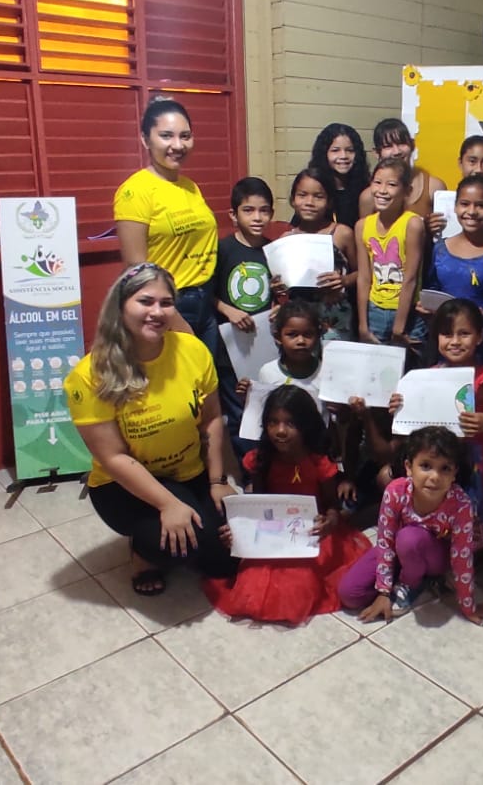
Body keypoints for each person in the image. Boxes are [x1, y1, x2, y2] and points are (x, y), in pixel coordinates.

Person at [65, 263, 236, 596]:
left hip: (188, 472)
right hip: (122, 485)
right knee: (183, 546)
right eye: (145, 301)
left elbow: (213, 418)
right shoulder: (89, 375)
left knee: (226, 560)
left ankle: (184, 520)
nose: (157, 312)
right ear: (120, 306)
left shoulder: (193, 350)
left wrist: (217, 481)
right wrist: (168, 504)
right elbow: (113, 457)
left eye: (166, 303)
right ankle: (143, 554)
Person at [205, 385, 367, 626]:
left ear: (306, 425)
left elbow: (332, 506)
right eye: (272, 422)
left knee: (299, 583)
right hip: (273, 530)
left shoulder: (318, 462)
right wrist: (240, 531)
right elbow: (257, 507)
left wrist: (329, 523)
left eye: (290, 424)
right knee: (252, 580)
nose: (280, 431)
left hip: (311, 533)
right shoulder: (261, 460)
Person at [338, 427, 483, 624]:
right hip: (400, 551)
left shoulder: (461, 504)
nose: (434, 477)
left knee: (410, 538)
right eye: (425, 466)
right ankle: (410, 578)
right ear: (409, 467)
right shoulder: (395, 491)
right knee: (349, 594)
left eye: (445, 468)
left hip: (434, 556)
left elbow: (462, 556)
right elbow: (385, 541)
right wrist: (383, 591)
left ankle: (412, 583)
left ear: (454, 473)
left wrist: (468, 606)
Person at [401, 299, 483, 547]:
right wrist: (401, 408)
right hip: (438, 464)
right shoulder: (427, 377)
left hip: (477, 466)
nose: (455, 341)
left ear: (479, 337)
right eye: (446, 334)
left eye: (464, 334)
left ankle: (473, 553)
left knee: (475, 522)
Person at [114, 97, 217, 346]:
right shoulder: (135, 191)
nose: (178, 145)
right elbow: (136, 268)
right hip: (168, 305)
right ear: (145, 139)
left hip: (206, 299)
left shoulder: (190, 187)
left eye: (185, 136)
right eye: (166, 136)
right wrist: (175, 320)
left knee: (203, 379)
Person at [425, 174, 483, 371]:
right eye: (465, 204)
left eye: (480, 205)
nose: (471, 212)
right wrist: (426, 307)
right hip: (446, 345)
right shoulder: (440, 249)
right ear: (455, 206)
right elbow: (432, 289)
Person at [213, 177, 276, 444]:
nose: (257, 217)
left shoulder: (273, 250)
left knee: (265, 405)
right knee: (238, 410)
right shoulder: (223, 249)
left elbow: (279, 292)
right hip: (231, 347)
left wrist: (277, 307)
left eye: (264, 210)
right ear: (234, 215)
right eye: (248, 210)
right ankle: (245, 468)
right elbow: (208, 294)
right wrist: (229, 311)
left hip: (264, 345)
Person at [279, 167, 357, 341]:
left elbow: (361, 273)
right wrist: (277, 286)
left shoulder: (341, 234)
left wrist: (344, 281)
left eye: (318, 196)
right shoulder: (286, 239)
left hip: (335, 320)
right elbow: (280, 283)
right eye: (302, 195)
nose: (309, 202)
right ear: (293, 200)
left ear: (329, 202)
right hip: (299, 323)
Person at [357, 157, 426, 345]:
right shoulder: (362, 226)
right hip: (375, 311)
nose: (382, 191)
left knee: (408, 369)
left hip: (406, 313)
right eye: (377, 182)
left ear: (407, 191)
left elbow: (410, 278)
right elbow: (364, 277)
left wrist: (399, 327)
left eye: (392, 184)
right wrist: (363, 326)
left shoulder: (412, 224)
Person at [363, 118, 445, 217]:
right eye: (388, 146)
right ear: (376, 153)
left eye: (401, 143)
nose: (396, 151)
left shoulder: (433, 186)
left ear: (412, 145)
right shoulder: (369, 196)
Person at [308, 123, 370, 227]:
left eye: (350, 150)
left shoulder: (365, 190)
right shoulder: (315, 187)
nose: (343, 156)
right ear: (324, 153)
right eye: (335, 150)